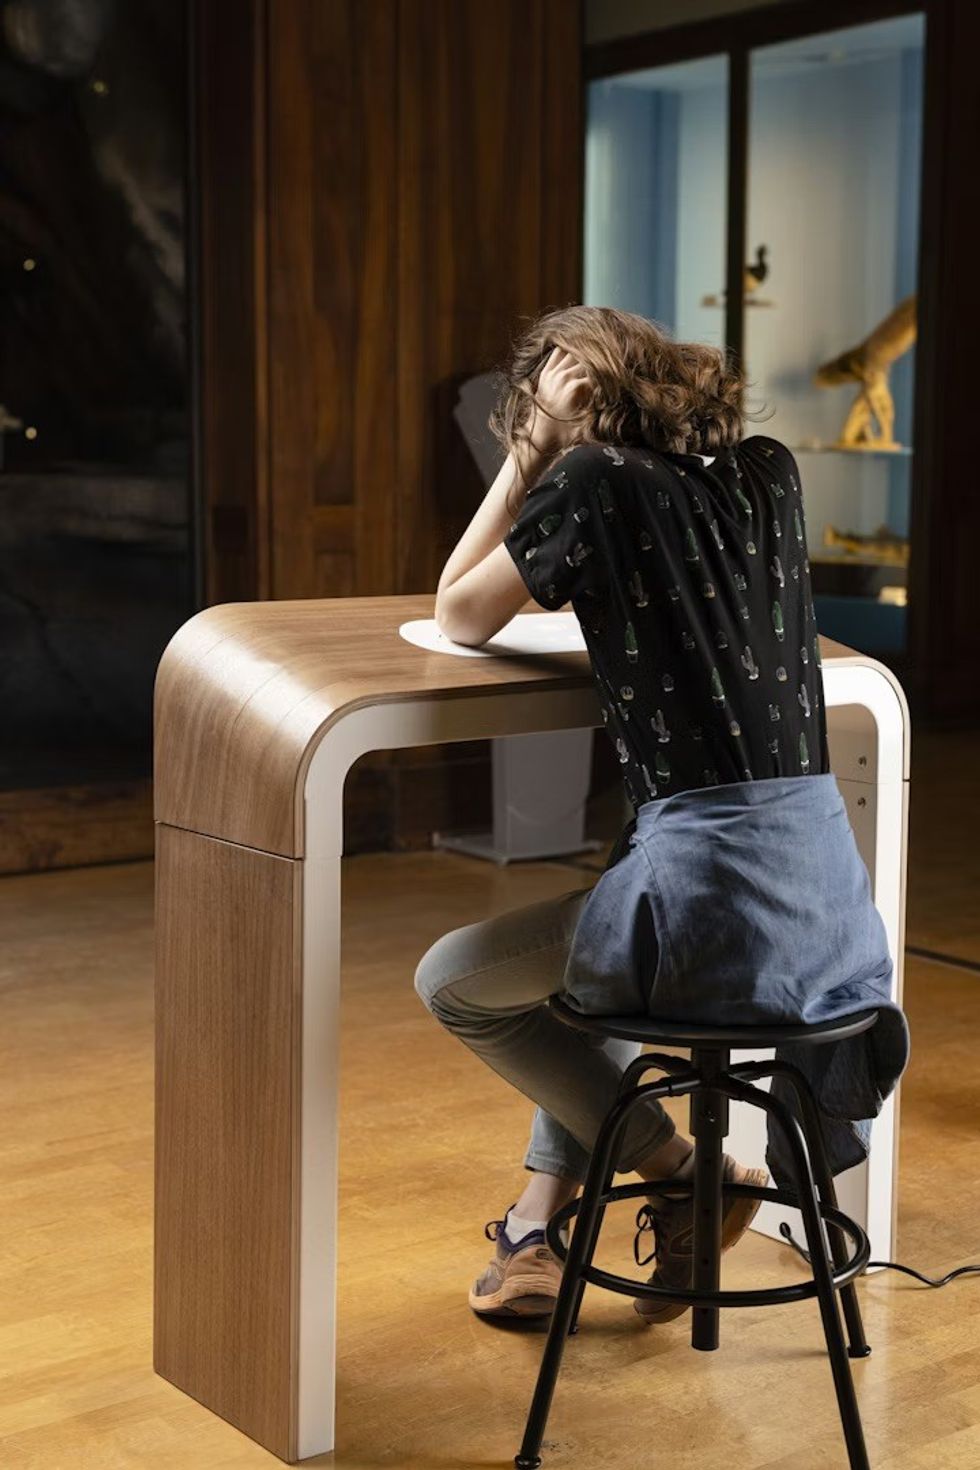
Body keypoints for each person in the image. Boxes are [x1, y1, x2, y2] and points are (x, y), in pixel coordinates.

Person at [415, 305, 905, 1326]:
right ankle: (535, 1220)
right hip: (825, 912)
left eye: (543, 381)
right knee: (610, 896)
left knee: (458, 983)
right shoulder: (769, 472)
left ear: (574, 387)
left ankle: (681, 1166)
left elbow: (457, 608)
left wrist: (528, 455)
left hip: (704, 915)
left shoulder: (589, 483)